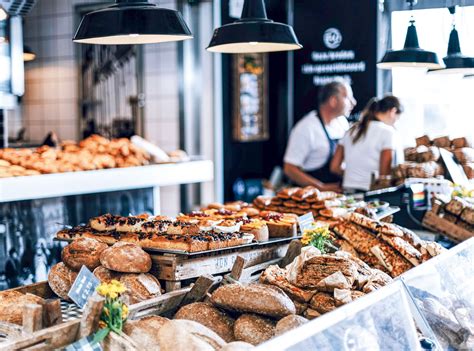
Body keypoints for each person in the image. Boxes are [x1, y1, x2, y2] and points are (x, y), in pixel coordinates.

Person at [284, 80, 357, 191]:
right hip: (313, 197)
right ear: (333, 101)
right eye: (347, 98)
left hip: (339, 194)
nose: (354, 102)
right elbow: (289, 169)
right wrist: (321, 188)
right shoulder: (306, 128)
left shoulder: (342, 122)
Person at [330, 95, 403, 192]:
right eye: (397, 119)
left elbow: (334, 167)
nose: (395, 123)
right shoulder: (388, 132)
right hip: (371, 194)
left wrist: (353, 175)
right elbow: (384, 176)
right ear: (393, 111)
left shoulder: (350, 131)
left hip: (348, 191)